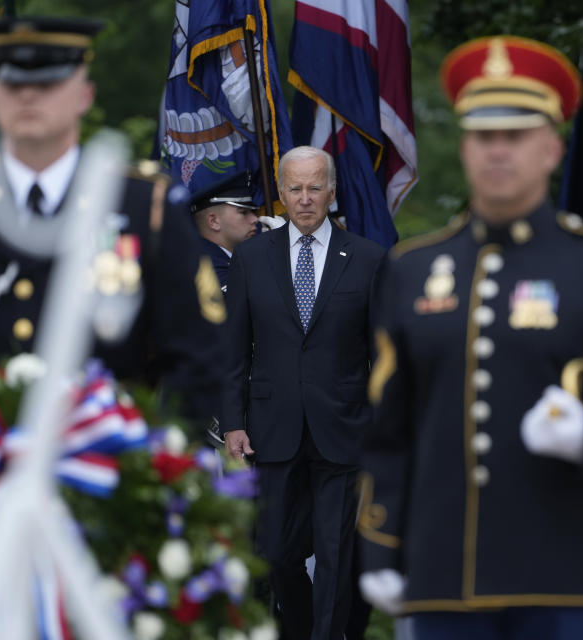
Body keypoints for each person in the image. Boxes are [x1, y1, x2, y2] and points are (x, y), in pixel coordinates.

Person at [356, 35, 583, 640]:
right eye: (484, 136)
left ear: (551, 149)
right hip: (443, 577)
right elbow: (388, 429)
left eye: (516, 135)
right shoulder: (410, 269)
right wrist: (380, 544)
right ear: (464, 148)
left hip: (567, 577)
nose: (498, 151)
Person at [0, 16, 225, 420]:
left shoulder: (144, 206)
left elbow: (198, 359)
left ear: (85, 95)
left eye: (47, 84)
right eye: (13, 84)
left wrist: (156, 463)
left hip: (107, 466)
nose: (28, 97)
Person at [221, 145, 385, 639]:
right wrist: (233, 421)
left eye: (316, 187)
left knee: (336, 557)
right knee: (276, 554)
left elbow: (386, 354)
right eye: (295, 188)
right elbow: (233, 351)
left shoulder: (369, 259)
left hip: (345, 429)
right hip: (272, 430)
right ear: (282, 193)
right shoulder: (251, 258)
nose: (306, 198)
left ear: (332, 192)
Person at [190, 171, 260, 291]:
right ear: (214, 221)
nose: (255, 219)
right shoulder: (206, 267)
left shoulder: (224, 258)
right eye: (243, 212)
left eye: (253, 212)